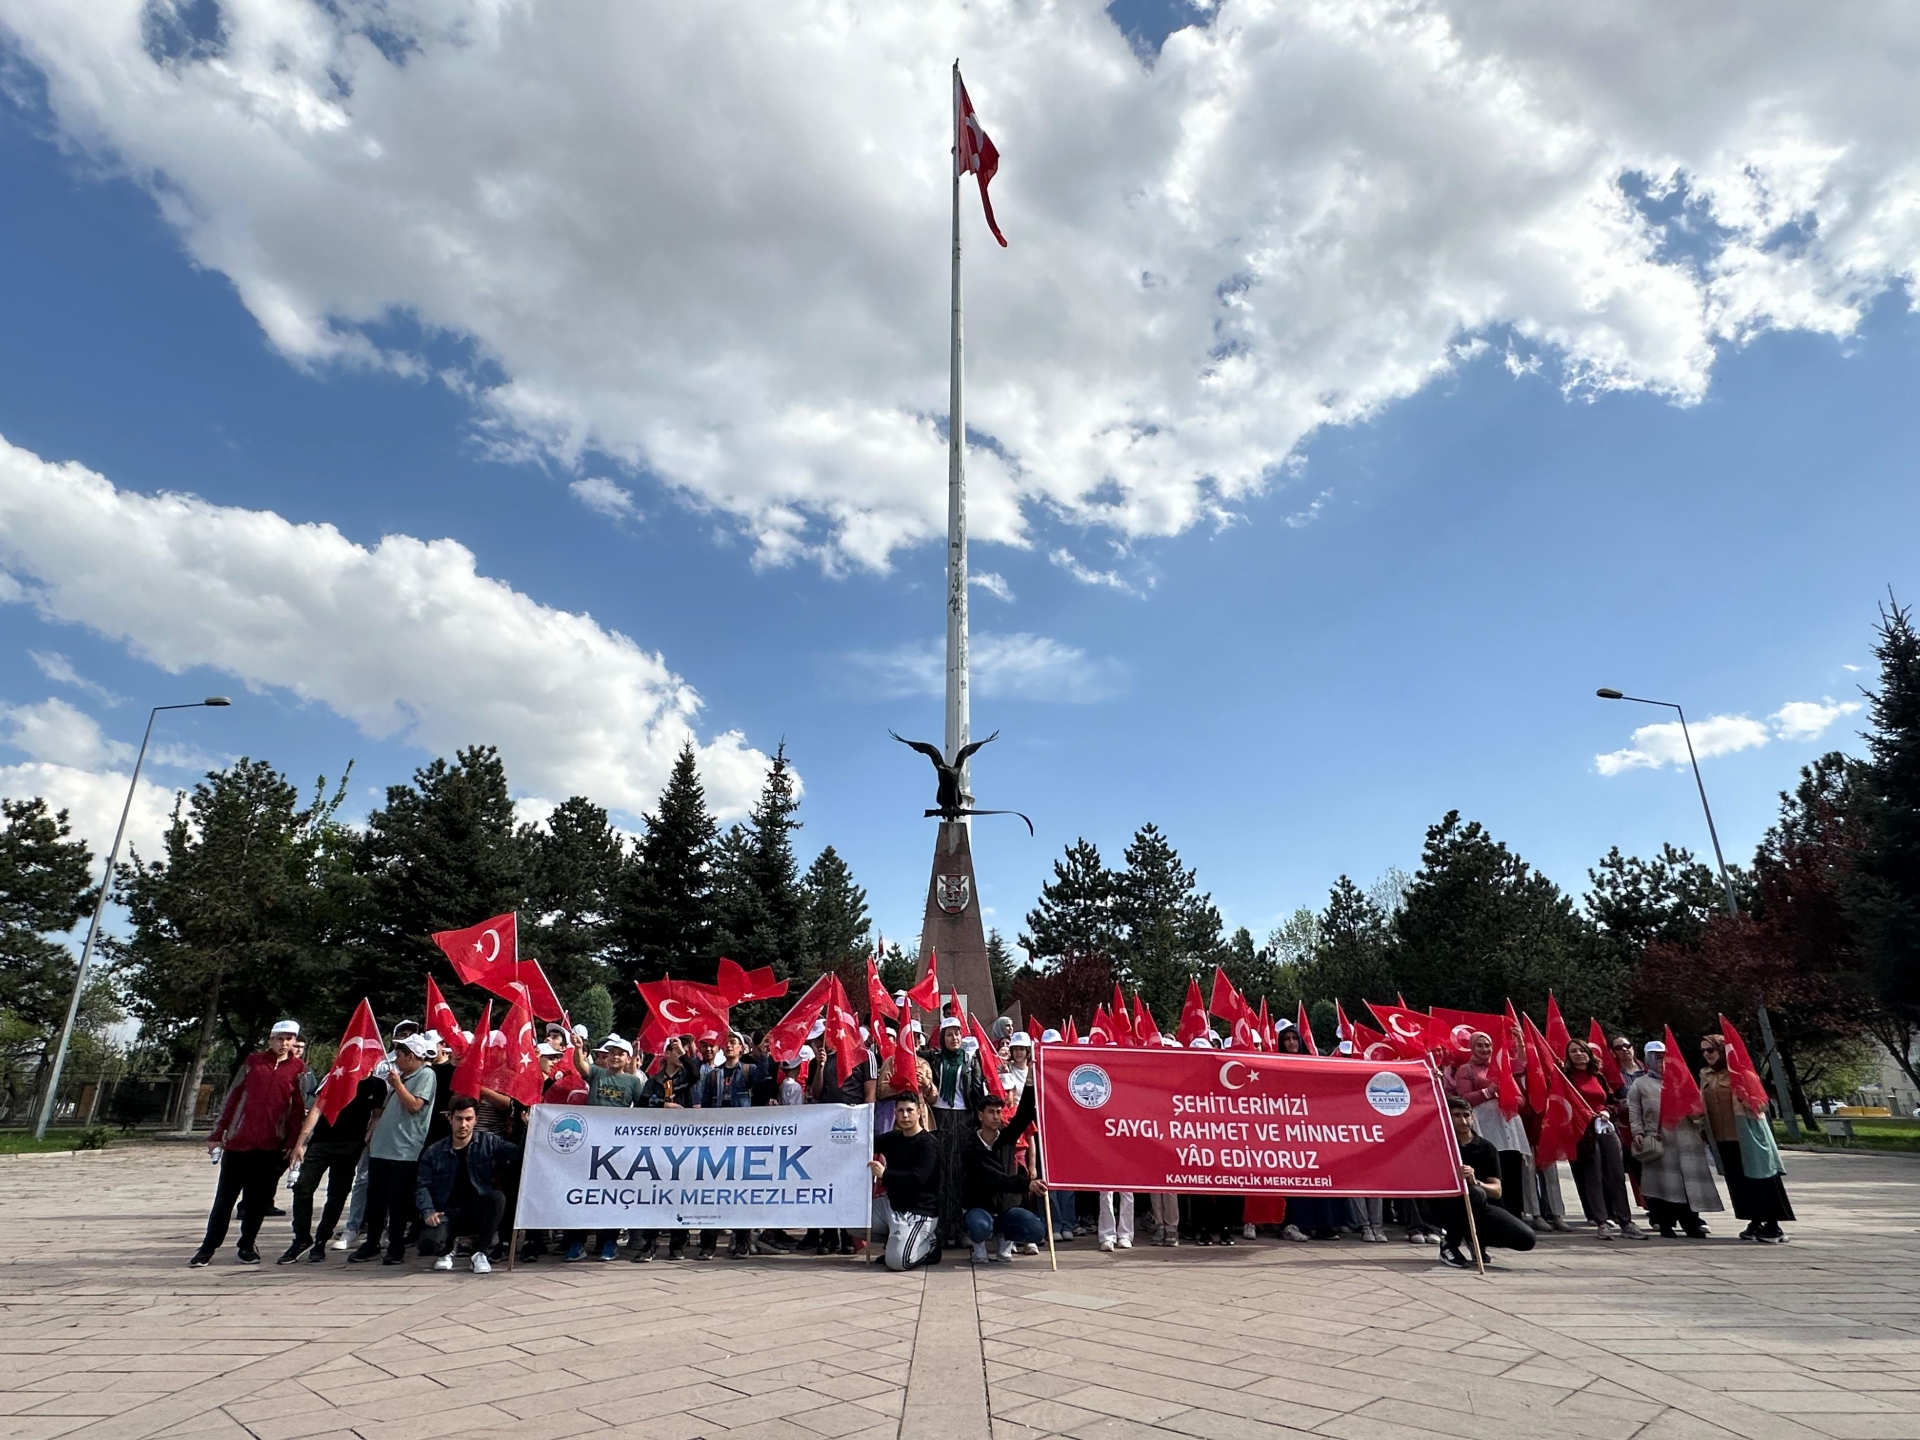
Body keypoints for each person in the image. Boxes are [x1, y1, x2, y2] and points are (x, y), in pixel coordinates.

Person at [190, 1019, 310, 1267]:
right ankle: (208, 1247)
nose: (283, 1043)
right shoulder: (254, 1062)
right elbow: (233, 1097)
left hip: (271, 1146)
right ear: (270, 1039)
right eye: (279, 1038)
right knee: (224, 1200)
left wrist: (294, 1142)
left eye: (289, 1039)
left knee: (257, 1201)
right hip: (238, 1143)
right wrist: (218, 1133)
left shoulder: (299, 1069)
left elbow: (298, 1110)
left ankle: (247, 1244)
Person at [350, 1033, 437, 1265]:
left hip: (404, 1149)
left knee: (398, 1202)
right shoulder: (403, 1076)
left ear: (412, 1056)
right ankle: (372, 1242)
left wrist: (397, 1085)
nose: (395, 1060)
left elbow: (415, 1105)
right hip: (382, 1147)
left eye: (399, 1055)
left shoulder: (426, 1075)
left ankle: (396, 1245)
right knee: (376, 1200)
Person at [280, 1070, 384, 1264]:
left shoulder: (377, 1084)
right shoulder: (335, 1076)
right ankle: (302, 1238)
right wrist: (301, 1142)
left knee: (337, 1194)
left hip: (350, 1145)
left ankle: (321, 1240)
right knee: (302, 1187)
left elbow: (377, 1114)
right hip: (322, 1141)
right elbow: (317, 1107)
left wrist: (366, 1137)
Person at [1699, 1032, 1795, 1243]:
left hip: (1748, 1137)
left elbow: (1762, 1105)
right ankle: (1754, 1221)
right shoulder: (1705, 1075)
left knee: (1760, 1180)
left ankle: (1772, 1225)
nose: (1706, 1054)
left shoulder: (1742, 1074)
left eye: (1710, 1049)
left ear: (1723, 1050)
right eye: (1703, 1050)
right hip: (1723, 1138)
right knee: (1738, 1183)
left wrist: (1745, 1095)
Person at [1426, 1095, 1537, 1270]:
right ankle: (1450, 1244)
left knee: (1526, 1238)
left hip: (1480, 1206)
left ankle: (1474, 1237)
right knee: (1473, 1194)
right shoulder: (1441, 1146)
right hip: (1446, 1205)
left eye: (1466, 1115)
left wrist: (1476, 1181)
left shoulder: (1486, 1147)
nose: (1462, 1121)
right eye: (1456, 1115)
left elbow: (1497, 1190)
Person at [1625, 1040, 1721, 1239]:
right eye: (1656, 1057)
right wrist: (1638, 1132)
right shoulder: (1641, 1083)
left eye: (1663, 1056)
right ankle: (1665, 1223)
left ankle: (1692, 1223)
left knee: (1688, 1185)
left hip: (1686, 1139)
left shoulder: (1682, 1080)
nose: (1660, 1061)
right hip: (1659, 1139)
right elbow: (1634, 1110)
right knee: (1663, 1185)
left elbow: (1698, 1108)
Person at [414, 1095, 521, 1273]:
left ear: (475, 1120)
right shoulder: (434, 1152)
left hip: (475, 1210)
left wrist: (526, 1126)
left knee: (497, 1198)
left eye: (468, 1119)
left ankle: (480, 1252)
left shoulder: (488, 1141)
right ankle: (446, 1250)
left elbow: (518, 1154)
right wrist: (428, 1211)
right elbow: (422, 1185)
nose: (463, 1124)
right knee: (428, 1245)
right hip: (446, 1212)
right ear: (450, 1118)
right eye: (459, 1119)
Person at [693, 1031, 769, 1259]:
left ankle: (742, 1241)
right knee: (711, 1190)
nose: (728, 1046)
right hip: (716, 1137)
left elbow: (764, 1083)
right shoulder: (713, 1075)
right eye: (726, 1043)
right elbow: (706, 1105)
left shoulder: (748, 1070)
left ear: (741, 1049)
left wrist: (764, 1056)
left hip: (741, 1138)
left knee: (740, 1191)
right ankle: (708, 1243)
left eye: (733, 1043)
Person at [1562, 1037, 1648, 1240]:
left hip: (1605, 1127)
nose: (1578, 1054)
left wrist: (1608, 1112)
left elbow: (1611, 1101)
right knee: (1593, 1176)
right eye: (1573, 1051)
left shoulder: (1597, 1076)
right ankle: (1601, 1222)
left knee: (1617, 1175)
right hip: (1584, 1132)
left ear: (1588, 1053)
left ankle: (1625, 1221)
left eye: (1581, 1050)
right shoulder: (1566, 1077)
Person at [1448, 1031, 1531, 1224]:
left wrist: (1506, 1095)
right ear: (1472, 1047)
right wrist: (1488, 1092)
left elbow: (1521, 1101)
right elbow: (1464, 1098)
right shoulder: (1465, 1070)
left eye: (1487, 1045)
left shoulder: (1503, 1068)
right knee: (1494, 1167)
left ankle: (1515, 1216)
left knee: (1512, 1167)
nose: (1485, 1049)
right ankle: (1494, 1215)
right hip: (1485, 1125)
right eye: (1480, 1045)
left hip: (1509, 1127)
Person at [961, 1086, 1048, 1262]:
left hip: (1006, 1208)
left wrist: (1030, 1082)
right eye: (991, 1112)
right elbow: (992, 1177)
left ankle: (1005, 1238)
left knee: (1036, 1230)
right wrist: (1027, 1184)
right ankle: (979, 1245)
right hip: (980, 1207)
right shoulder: (970, 1146)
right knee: (979, 1226)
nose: (995, 1116)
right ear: (980, 1115)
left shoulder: (1006, 1139)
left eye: (999, 1112)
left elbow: (1024, 1116)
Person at [923, 1016, 981, 1248]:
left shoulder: (970, 1061)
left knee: (960, 1174)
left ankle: (959, 1228)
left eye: (957, 1033)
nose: (954, 1038)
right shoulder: (934, 1059)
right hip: (939, 1117)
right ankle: (939, 1228)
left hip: (963, 1117)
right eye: (949, 1034)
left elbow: (976, 1090)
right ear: (942, 1037)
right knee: (940, 1172)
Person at [869, 1093, 943, 1270]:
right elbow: (865, 1143)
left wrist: (884, 1174)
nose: (905, 1115)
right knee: (853, 1220)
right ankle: (897, 1239)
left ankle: (931, 1243)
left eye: (910, 1110)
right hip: (892, 1206)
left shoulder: (928, 1144)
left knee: (897, 1262)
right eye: (900, 1110)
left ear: (919, 1113)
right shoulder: (893, 1138)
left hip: (919, 1211)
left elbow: (917, 1179)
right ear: (895, 1113)